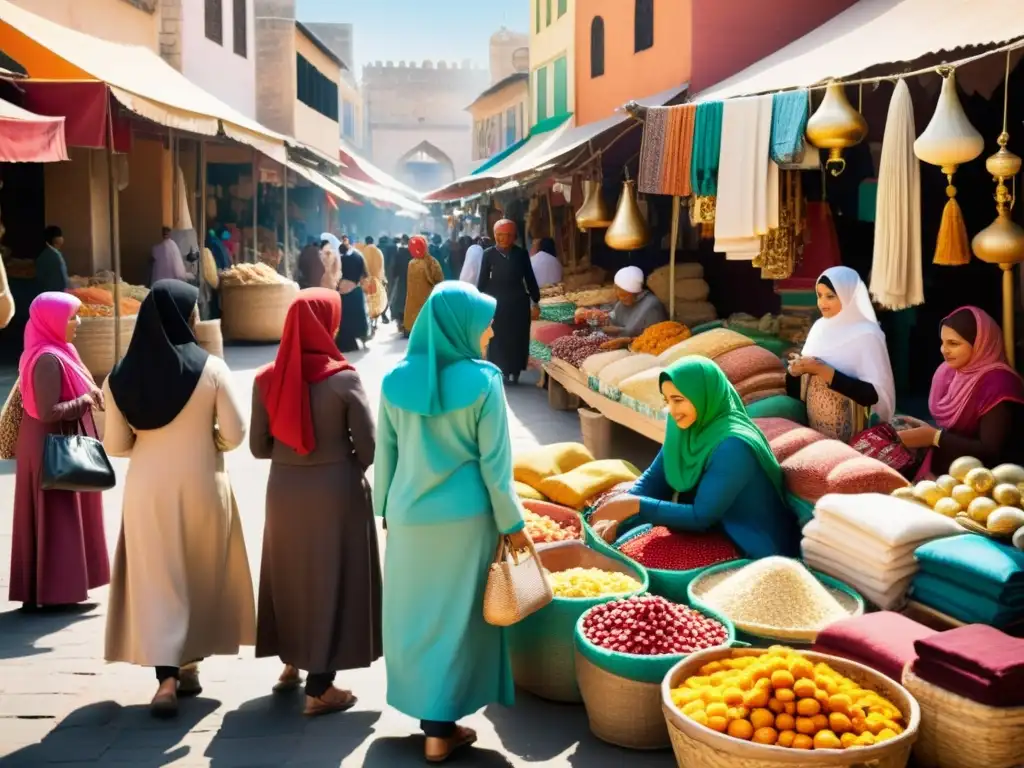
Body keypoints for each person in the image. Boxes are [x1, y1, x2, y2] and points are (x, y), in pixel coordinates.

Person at [374, 282, 530, 763]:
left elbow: (387, 457)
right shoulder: (485, 382)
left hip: (408, 518)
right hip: (466, 521)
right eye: (485, 322)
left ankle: (433, 723)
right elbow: (495, 467)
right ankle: (442, 729)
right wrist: (513, 523)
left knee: (416, 618)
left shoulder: (393, 381)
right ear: (459, 326)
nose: (491, 331)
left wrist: (384, 509)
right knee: (458, 620)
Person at [102, 280, 255, 718]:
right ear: (183, 317)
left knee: (159, 578)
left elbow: (115, 444)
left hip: (148, 488)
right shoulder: (212, 369)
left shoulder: (119, 376)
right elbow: (236, 432)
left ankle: (166, 680)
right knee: (198, 571)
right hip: (203, 482)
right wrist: (210, 443)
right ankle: (189, 664)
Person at [251, 289, 382, 716]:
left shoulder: (266, 379)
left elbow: (257, 447)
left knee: (290, 575)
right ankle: (320, 689)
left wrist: (295, 458)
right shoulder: (344, 379)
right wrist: (336, 463)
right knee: (333, 580)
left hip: (285, 490)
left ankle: (291, 662)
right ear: (327, 324)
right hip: (336, 490)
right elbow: (369, 448)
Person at [590, 356, 800, 558]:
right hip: (710, 529)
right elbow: (654, 480)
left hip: (749, 542)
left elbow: (701, 517)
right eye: (667, 401)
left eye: (678, 400)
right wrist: (619, 516)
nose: (672, 411)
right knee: (624, 541)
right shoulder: (684, 427)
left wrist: (635, 506)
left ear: (703, 396)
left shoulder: (734, 444)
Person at [9, 293, 109, 608]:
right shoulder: (47, 359)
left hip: (58, 442)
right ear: (51, 322)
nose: (77, 323)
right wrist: (86, 400)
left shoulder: (62, 351)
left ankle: (62, 588)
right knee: (58, 515)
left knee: (65, 512)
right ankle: (56, 592)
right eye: (70, 317)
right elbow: (48, 411)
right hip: (49, 446)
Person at [899, 306, 1024, 476]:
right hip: (954, 478)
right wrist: (924, 430)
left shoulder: (1000, 383)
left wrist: (934, 437)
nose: (944, 350)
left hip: (995, 483)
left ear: (981, 344)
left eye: (954, 343)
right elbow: (954, 432)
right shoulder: (950, 374)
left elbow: (991, 451)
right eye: (943, 342)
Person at [786, 267, 896, 443]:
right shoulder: (819, 328)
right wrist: (794, 371)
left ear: (849, 296)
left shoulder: (867, 334)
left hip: (856, 439)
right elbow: (796, 391)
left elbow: (873, 396)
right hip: (815, 435)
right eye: (819, 295)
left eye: (830, 296)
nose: (822, 303)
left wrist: (822, 370)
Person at [477, 220, 540, 384]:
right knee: (497, 337)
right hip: (496, 302)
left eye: (507, 236)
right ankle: (501, 369)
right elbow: (482, 280)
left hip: (518, 302)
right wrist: (478, 299)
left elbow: (530, 278)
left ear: (513, 237)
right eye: (500, 235)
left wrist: (536, 299)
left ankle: (516, 370)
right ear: (495, 236)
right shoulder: (488, 254)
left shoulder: (521, 254)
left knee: (517, 337)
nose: (503, 239)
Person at [604, 266, 668, 338]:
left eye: (624, 295)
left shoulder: (651, 307)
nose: (621, 299)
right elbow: (614, 321)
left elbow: (656, 338)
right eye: (619, 295)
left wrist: (628, 340)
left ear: (637, 293)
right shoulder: (621, 304)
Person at [404, 235, 444, 335]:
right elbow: (439, 278)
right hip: (428, 297)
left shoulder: (411, 264)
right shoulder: (432, 262)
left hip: (413, 299)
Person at [337, 242, 370, 353]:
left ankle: (346, 341)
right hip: (355, 290)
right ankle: (363, 337)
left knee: (344, 318)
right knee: (358, 316)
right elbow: (364, 274)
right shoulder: (358, 256)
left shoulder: (339, 259)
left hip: (341, 292)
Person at [361, 236, 388, 328]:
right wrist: (383, 279)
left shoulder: (363, 252)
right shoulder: (378, 251)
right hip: (377, 280)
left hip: (367, 280)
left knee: (368, 301)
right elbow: (381, 267)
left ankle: (369, 321)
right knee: (376, 300)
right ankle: (375, 321)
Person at [388, 235, 412, 333]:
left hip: (401, 282)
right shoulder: (413, 253)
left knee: (399, 302)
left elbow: (394, 269)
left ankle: (401, 323)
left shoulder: (399, 253)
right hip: (412, 282)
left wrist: (392, 279)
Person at [36, 225, 69, 293]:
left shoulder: (47, 254)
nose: (62, 238)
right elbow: (62, 281)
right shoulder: (54, 256)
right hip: (55, 294)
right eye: (60, 236)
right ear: (55, 239)